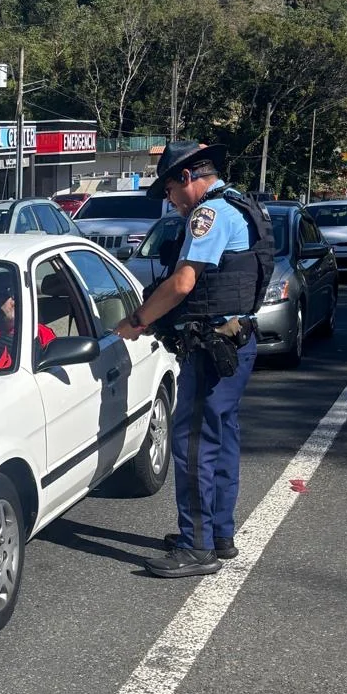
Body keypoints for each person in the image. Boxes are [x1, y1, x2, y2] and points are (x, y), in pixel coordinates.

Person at [117, 141, 274, 579]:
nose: (171, 202)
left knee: (193, 444)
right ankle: (218, 533)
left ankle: (196, 545)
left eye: (169, 191)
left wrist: (137, 320)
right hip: (235, 341)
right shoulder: (241, 206)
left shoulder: (209, 214)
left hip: (212, 347)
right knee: (222, 438)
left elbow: (183, 283)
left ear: (186, 178)